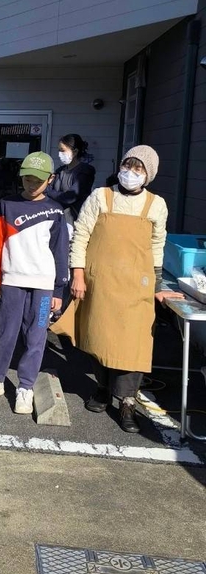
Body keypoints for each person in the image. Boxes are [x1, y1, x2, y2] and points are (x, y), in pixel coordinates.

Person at [69, 145, 183, 434]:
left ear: (148, 175)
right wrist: (78, 274)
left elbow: (157, 245)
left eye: (138, 168)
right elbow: (81, 235)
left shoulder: (156, 205)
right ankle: (103, 388)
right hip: (101, 282)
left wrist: (157, 284)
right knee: (100, 336)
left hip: (137, 285)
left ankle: (128, 402)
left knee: (134, 343)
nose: (130, 172)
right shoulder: (101, 196)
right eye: (127, 165)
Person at [0, 152, 68, 414]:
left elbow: (60, 251)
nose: (31, 184)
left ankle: (25, 386)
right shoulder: (6, 204)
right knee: (5, 331)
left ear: (50, 179)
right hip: (12, 280)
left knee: (36, 335)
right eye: (27, 179)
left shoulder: (56, 210)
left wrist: (59, 289)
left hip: (43, 284)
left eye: (38, 180)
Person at [45, 133, 96, 227]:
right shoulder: (59, 171)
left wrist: (49, 192)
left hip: (75, 222)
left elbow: (70, 197)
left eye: (63, 150)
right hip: (56, 219)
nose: (59, 154)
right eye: (59, 150)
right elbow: (47, 189)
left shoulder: (85, 171)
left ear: (75, 151)